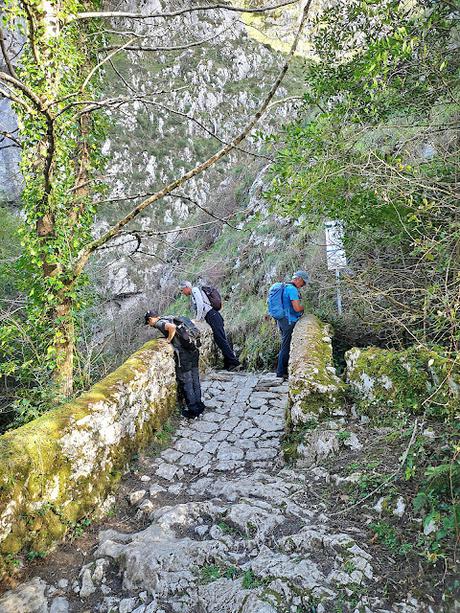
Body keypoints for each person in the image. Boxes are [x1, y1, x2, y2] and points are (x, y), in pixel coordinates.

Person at [144, 310, 205, 419]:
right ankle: (199, 405)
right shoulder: (170, 316)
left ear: (151, 319)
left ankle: (193, 410)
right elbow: (190, 322)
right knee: (195, 378)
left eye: (148, 323)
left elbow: (171, 327)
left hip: (184, 353)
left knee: (187, 381)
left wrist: (168, 340)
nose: (150, 325)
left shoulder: (159, 323)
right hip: (193, 348)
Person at [179, 280, 241, 371]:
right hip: (213, 316)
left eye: (182, 290)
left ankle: (235, 363)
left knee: (221, 340)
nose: (182, 293)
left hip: (213, 316)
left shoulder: (195, 290)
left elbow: (200, 305)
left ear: (186, 287)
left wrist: (198, 319)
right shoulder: (194, 293)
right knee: (220, 339)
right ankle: (228, 363)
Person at [274, 270, 309, 380]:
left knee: (285, 343)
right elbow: (297, 308)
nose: (303, 286)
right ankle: (281, 372)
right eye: (303, 283)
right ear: (298, 279)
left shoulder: (285, 287)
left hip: (281, 320)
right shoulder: (292, 289)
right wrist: (305, 307)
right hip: (289, 321)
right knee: (286, 345)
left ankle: (282, 371)